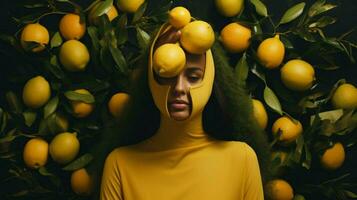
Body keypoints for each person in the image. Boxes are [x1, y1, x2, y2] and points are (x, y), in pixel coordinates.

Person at [100, 22, 271, 200]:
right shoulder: (120, 164)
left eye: (193, 77)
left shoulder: (242, 159)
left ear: (210, 80)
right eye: (167, 75)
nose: (179, 88)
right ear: (151, 81)